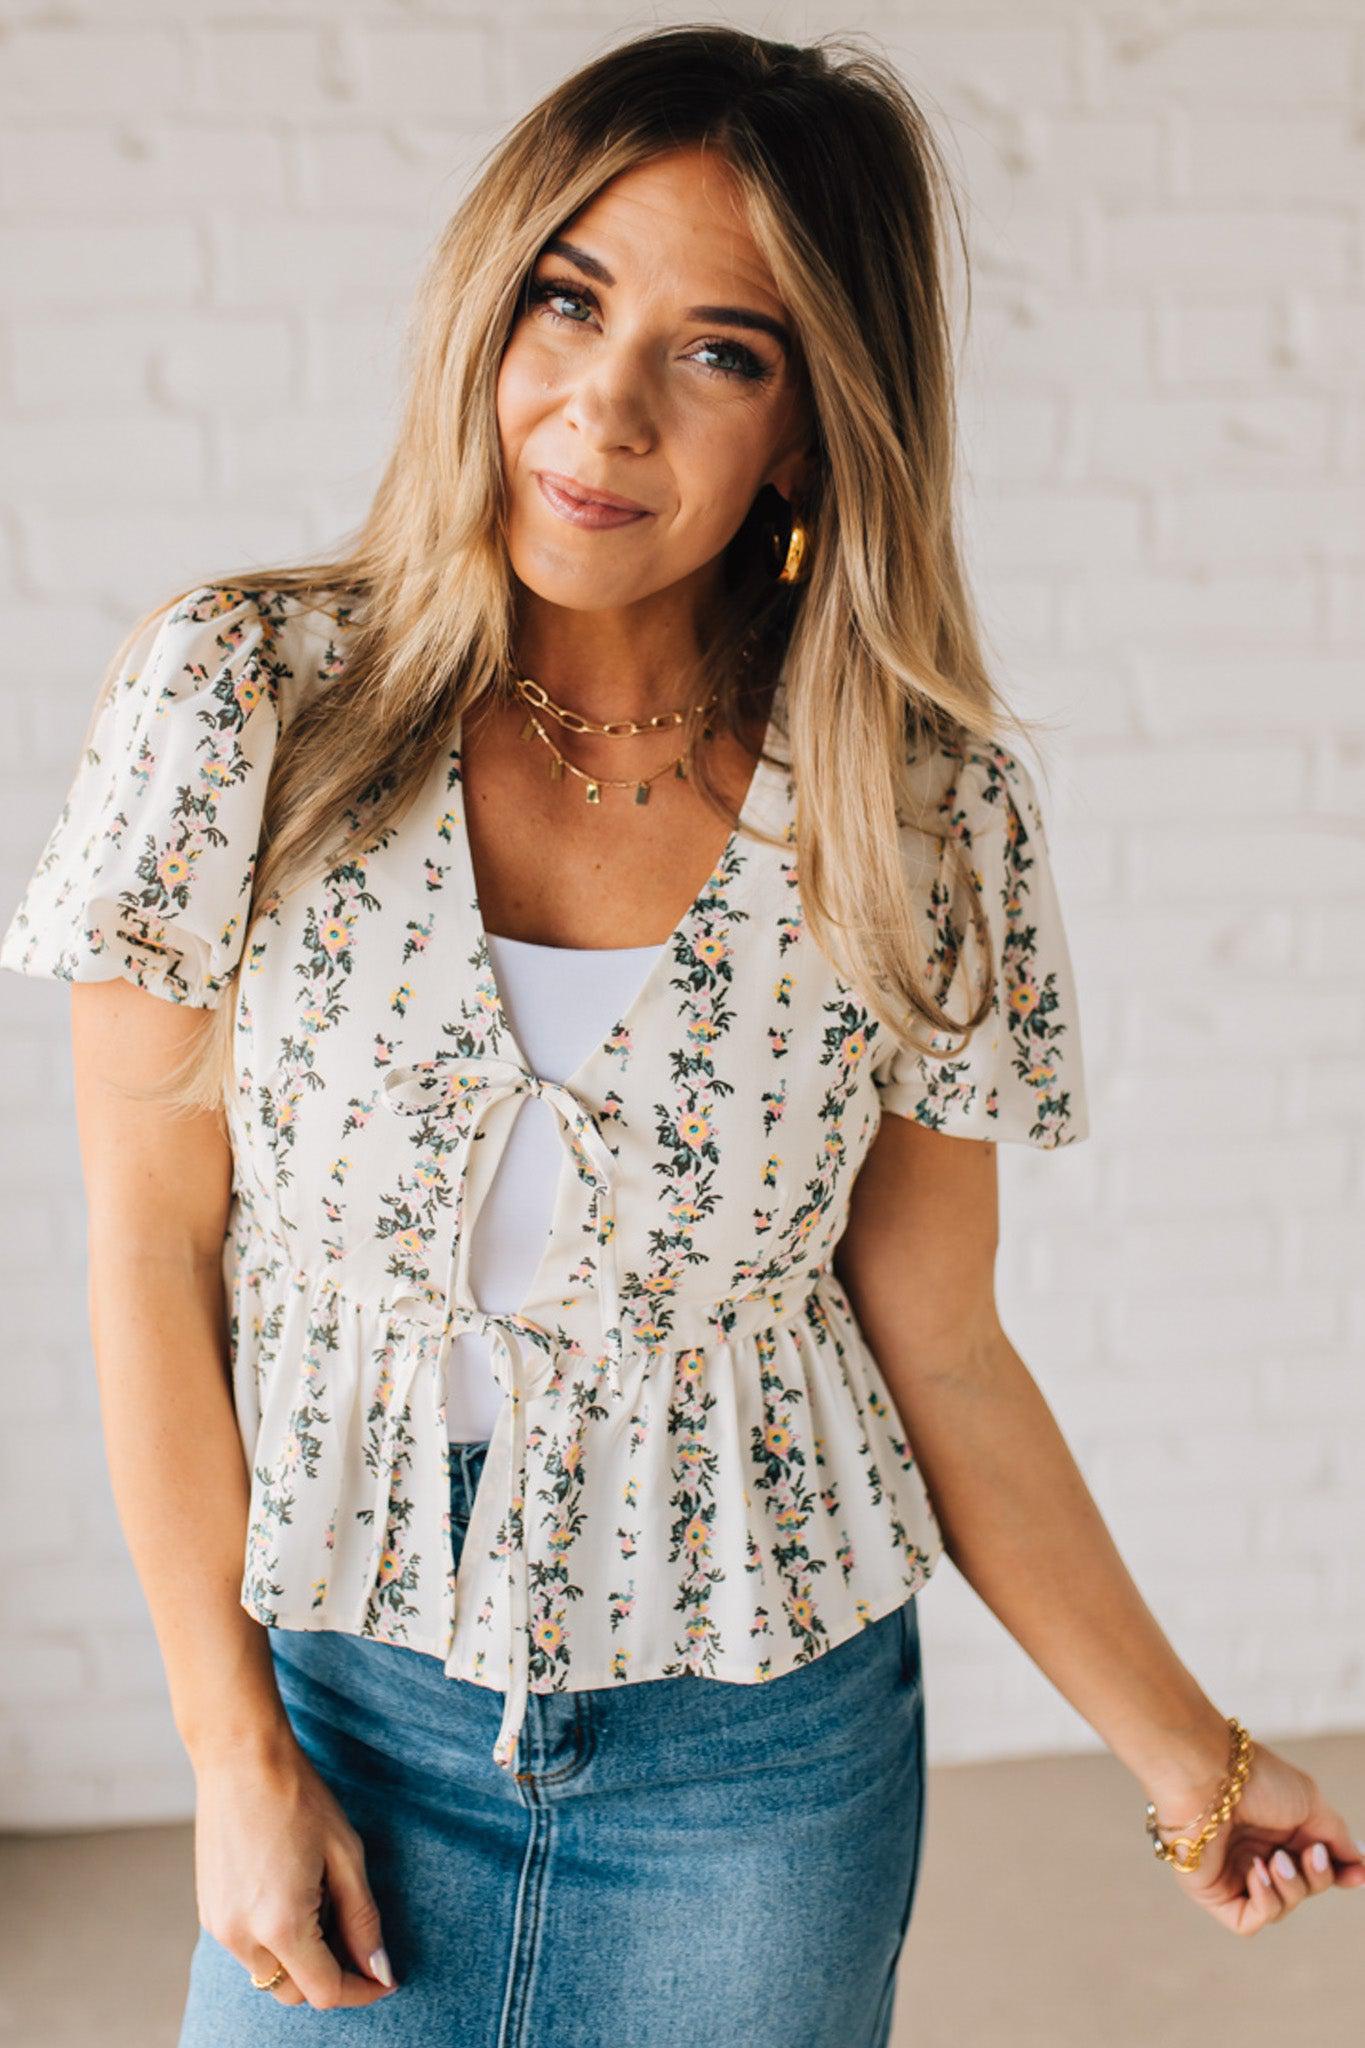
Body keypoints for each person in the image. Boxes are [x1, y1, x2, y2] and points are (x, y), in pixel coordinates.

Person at [4, 23, 1361, 2047]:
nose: (602, 406)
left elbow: (945, 1345)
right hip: (344, 1698)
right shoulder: (244, 703)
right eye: (569, 298)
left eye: (717, 351)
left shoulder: (913, 810)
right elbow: (146, 1245)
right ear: (489, 299)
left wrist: (1189, 1759)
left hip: (759, 1765)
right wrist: (230, 1753)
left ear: (808, 430)